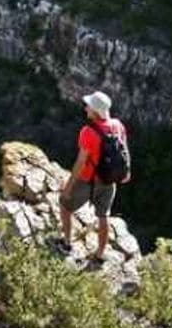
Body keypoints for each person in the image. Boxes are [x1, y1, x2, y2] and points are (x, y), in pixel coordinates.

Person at [55, 90, 130, 262]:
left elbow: (80, 163)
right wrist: (127, 173)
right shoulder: (118, 125)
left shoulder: (88, 132)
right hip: (110, 180)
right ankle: (100, 253)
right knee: (103, 216)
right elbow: (124, 150)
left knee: (65, 206)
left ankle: (66, 243)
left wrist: (67, 188)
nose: (86, 108)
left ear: (95, 111)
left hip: (88, 181)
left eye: (88, 106)